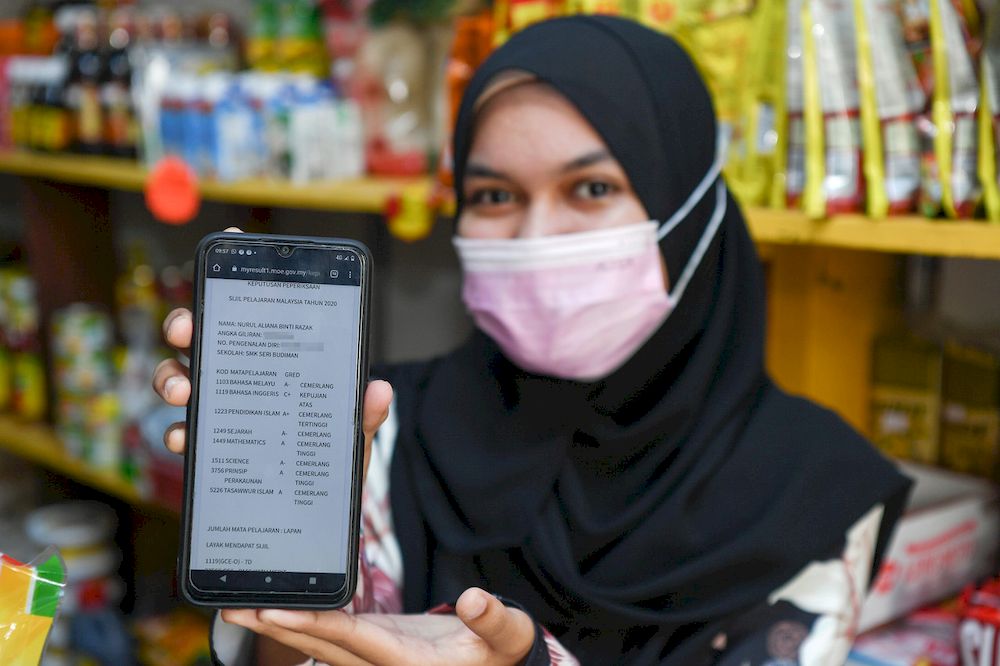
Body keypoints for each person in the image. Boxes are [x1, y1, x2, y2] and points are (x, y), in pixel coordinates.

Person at [152, 15, 912, 666]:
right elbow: (303, 651)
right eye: (493, 195)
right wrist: (272, 549)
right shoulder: (383, 427)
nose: (537, 236)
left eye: (591, 188)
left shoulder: (818, 492)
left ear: (691, 212)